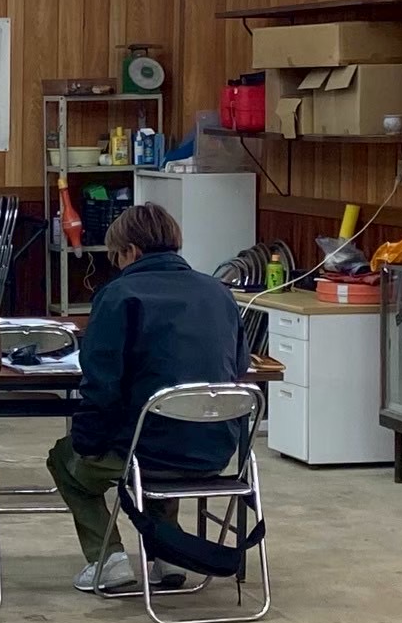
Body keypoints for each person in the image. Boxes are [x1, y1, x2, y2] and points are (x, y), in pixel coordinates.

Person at [45, 202, 250, 593]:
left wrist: (87, 443)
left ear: (130, 252)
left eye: (114, 256)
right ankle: (168, 555)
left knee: (65, 459)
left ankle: (109, 560)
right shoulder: (217, 292)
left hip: (144, 452)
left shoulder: (119, 295)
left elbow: (101, 384)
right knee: (165, 438)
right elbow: (238, 366)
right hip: (215, 449)